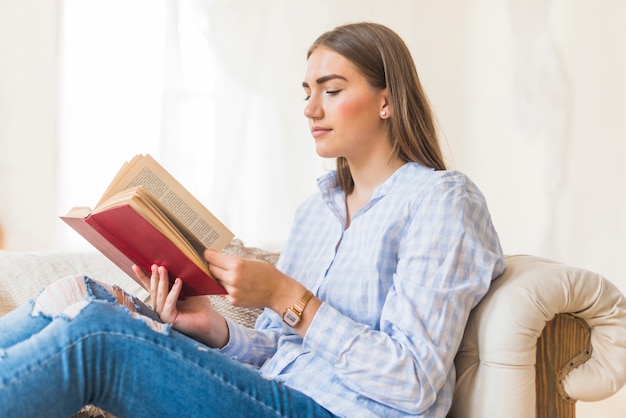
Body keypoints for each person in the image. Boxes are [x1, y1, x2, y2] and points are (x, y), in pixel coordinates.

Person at [0, 22, 504, 417]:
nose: (310, 108)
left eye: (330, 90)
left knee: (97, 335)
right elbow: (278, 350)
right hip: (272, 393)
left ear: (387, 100)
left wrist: (288, 297)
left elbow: (413, 382)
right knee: (83, 293)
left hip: (333, 411)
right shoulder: (317, 212)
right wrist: (213, 330)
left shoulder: (440, 200)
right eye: (306, 91)